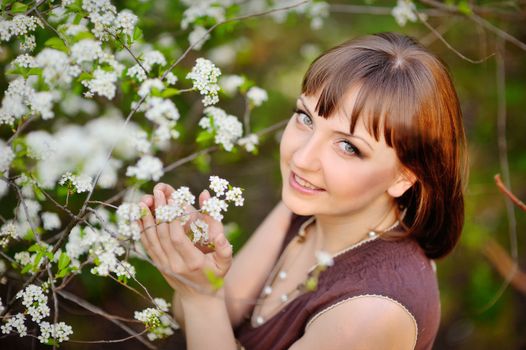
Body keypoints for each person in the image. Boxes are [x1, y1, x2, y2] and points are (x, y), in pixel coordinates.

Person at [137, 32, 467, 350]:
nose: (301, 158)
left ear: (404, 177)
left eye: (348, 147)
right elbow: (209, 319)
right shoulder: (309, 205)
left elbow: (205, 310)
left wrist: (201, 296)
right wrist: (197, 276)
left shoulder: (372, 312)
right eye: (305, 118)